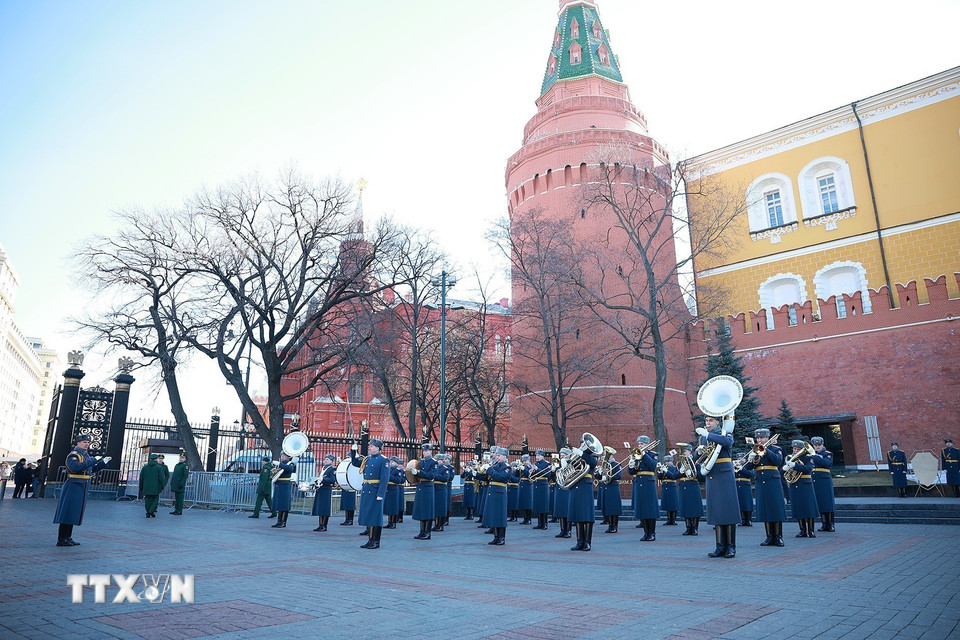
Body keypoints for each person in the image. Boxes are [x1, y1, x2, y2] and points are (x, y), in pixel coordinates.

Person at [696, 415, 741, 558]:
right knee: (717, 511)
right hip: (712, 474)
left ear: (717, 422)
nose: (707, 423)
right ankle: (720, 546)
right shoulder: (703, 437)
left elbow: (727, 442)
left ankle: (731, 547)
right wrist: (697, 452)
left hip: (724, 474)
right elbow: (699, 457)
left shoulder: (725, 432)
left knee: (728, 510)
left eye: (710, 421)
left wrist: (708, 435)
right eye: (706, 421)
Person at [53, 435, 110, 546]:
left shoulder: (85, 456)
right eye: (84, 442)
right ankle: (61, 539)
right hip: (73, 485)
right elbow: (76, 468)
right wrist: (93, 460)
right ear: (78, 443)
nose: (87, 444)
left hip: (81, 486)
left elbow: (90, 469)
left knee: (74, 512)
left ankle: (68, 537)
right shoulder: (73, 455)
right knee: (67, 512)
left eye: (88, 442)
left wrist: (102, 464)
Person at [744, 428, 786, 547]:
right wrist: (750, 459)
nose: (759, 440)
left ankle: (778, 536)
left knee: (775, 508)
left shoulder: (776, 449)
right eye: (758, 438)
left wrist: (765, 450)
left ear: (768, 438)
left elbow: (778, 461)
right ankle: (769, 537)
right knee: (765, 509)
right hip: (760, 481)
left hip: (772, 480)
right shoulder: (755, 451)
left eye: (762, 438)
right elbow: (748, 467)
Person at [350, 439, 390, 549]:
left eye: (372, 446)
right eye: (370, 446)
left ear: (378, 448)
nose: (370, 448)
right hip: (367, 489)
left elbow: (384, 479)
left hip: (375, 491)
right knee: (369, 516)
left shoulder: (383, 460)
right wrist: (354, 451)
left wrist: (381, 493)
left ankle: (376, 541)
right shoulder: (367, 459)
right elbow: (355, 463)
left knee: (376, 517)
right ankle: (370, 540)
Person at [568, 435, 598, 551]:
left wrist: (582, 454)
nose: (582, 446)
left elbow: (593, 463)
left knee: (586, 515)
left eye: (584, 444)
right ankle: (579, 541)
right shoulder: (576, 455)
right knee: (578, 515)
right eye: (581, 443)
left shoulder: (591, 455)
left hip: (585, 485)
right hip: (575, 485)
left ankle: (587, 542)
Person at [784, 440, 819, 538]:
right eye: (794, 449)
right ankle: (802, 530)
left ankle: (811, 530)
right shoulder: (789, 458)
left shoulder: (808, 457)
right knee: (798, 508)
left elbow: (808, 469)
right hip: (795, 484)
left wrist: (795, 465)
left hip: (805, 484)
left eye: (798, 449)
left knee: (809, 508)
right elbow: (786, 473)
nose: (795, 451)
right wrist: (785, 468)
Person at [629, 436, 659, 542]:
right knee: (642, 508)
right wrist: (631, 465)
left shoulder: (652, 454)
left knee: (650, 508)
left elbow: (652, 466)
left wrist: (644, 454)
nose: (639, 446)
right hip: (639, 482)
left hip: (648, 482)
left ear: (647, 444)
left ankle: (652, 533)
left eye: (642, 444)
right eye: (639, 444)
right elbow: (631, 472)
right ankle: (646, 533)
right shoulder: (636, 456)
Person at [482, 447, 512, 545]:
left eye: (499, 455)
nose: (497, 457)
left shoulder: (507, 467)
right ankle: (496, 537)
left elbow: (500, 477)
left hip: (500, 493)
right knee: (494, 515)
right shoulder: (495, 465)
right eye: (497, 455)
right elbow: (487, 477)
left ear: (505, 456)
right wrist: (477, 473)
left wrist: (489, 469)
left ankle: (502, 537)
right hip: (493, 492)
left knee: (500, 516)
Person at [410, 443, 438, 540]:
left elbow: (431, 475)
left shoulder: (433, 462)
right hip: (421, 486)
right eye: (424, 451)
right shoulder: (421, 462)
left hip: (428, 487)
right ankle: (422, 531)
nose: (425, 453)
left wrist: (419, 472)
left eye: (426, 451)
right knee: (422, 510)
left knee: (428, 510)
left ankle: (428, 532)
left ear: (431, 451)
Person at [810, 437, 836, 531]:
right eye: (815, 445)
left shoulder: (827, 454)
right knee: (820, 502)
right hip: (815, 479)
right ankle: (824, 524)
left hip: (824, 480)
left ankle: (831, 524)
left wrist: (814, 456)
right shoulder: (812, 455)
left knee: (827, 502)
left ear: (822, 444)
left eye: (819, 445)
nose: (817, 447)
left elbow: (825, 463)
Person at [678, 446, 703, 536]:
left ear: (690, 452)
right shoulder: (680, 463)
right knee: (686, 508)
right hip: (684, 486)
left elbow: (701, 477)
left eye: (684, 451)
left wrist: (693, 473)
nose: (683, 453)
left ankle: (695, 528)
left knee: (695, 508)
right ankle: (688, 528)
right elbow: (674, 476)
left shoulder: (696, 462)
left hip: (693, 485)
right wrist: (681, 471)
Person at [270, 453, 296, 528]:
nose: (282, 457)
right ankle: (279, 521)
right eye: (282, 456)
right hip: (279, 484)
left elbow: (290, 469)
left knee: (284, 504)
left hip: (285, 485)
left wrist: (279, 464)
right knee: (279, 504)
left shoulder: (290, 463)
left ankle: (283, 522)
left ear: (288, 457)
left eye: (284, 456)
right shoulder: (281, 464)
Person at [311, 454, 337, 531]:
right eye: (325, 459)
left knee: (325, 509)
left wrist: (322, 479)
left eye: (328, 459)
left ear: (332, 461)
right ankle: (320, 525)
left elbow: (332, 480)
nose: (325, 460)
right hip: (321, 489)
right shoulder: (323, 468)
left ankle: (324, 526)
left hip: (326, 490)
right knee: (320, 508)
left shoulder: (331, 469)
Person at [600, 451, 623, 533]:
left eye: (608, 455)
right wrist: (599, 473)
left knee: (614, 508)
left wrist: (608, 477)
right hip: (606, 487)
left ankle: (615, 526)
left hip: (613, 486)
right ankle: (610, 525)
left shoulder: (616, 464)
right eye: (605, 455)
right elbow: (598, 476)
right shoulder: (604, 465)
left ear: (612, 456)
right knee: (608, 507)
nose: (606, 457)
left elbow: (619, 475)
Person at [139, 453, 167, 518]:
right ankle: (151, 510)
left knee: (147, 500)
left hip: (146, 487)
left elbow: (141, 478)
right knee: (155, 499)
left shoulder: (145, 467)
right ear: (156, 459)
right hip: (156, 487)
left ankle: (147, 512)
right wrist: (163, 485)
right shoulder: (159, 467)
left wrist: (141, 486)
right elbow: (161, 478)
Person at [553, 448, 572, 538]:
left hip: (567, 489)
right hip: (559, 488)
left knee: (567, 510)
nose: (561, 456)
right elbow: (552, 478)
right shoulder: (558, 464)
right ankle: (562, 530)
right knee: (560, 510)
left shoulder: (570, 464)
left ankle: (568, 530)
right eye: (561, 455)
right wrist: (554, 470)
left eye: (563, 454)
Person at [531, 450, 551, 530]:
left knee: (544, 504)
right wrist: (531, 472)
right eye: (536, 455)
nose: (537, 457)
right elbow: (533, 476)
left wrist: (537, 469)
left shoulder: (547, 464)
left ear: (543, 456)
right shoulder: (535, 464)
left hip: (543, 485)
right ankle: (539, 523)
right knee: (538, 504)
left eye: (539, 455)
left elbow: (548, 474)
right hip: (536, 485)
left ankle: (545, 523)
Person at [658, 455, 681, 526]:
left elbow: (673, 476)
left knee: (673, 504)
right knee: (667, 503)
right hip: (665, 486)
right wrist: (661, 471)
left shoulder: (674, 468)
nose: (667, 463)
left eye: (668, 461)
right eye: (665, 461)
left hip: (672, 486)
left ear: (672, 461)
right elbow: (659, 477)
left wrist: (666, 471)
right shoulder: (664, 468)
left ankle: (673, 519)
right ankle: (668, 519)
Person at [385, 456, 405, 528]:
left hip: (394, 489)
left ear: (396, 463)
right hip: (389, 489)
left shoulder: (398, 470)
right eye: (390, 462)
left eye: (392, 462)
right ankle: (389, 522)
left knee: (393, 507)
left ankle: (393, 523)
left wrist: (389, 476)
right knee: (389, 507)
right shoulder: (389, 470)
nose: (391, 463)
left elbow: (398, 480)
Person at [734, 455, 754, 527]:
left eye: (742, 458)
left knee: (747, 503)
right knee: (739, 503)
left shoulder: (748, 465)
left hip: (745, 485)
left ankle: (748, 520)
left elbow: (750, 474)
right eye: (739, 458)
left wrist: (742, 469)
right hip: (737, 484)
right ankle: (741, 519)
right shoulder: (735, 465)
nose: (740, 459)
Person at [518, 454, 534, 525]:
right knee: (523, 502)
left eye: (525, 461)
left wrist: (523, 469)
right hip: (522, 485)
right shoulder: (523, 466)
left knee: (528, 503)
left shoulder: (530, 466)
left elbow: (529, 474)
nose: (524, 462)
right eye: (523, 461)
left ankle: (529, 519)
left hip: (528, 485)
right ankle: (525, 518)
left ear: (529, 460)